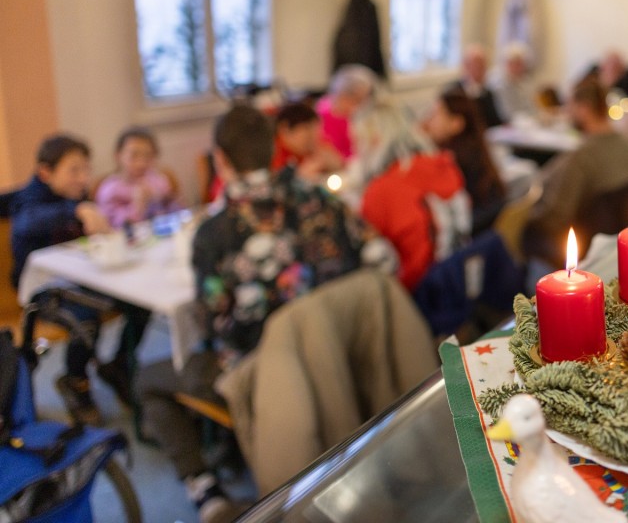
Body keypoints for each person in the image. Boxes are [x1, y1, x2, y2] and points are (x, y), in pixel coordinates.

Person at [137, 106, 366, 523]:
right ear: (275, 147)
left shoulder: (215, 233)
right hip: (334, 350)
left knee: (150, 378)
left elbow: (216, 325)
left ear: (220, 159)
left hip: (264, 369)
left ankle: (204, 488)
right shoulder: (323, 200)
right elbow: (362, 262)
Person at [10, 135, 151, 425]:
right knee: (85, 319)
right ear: (45, 172)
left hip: (81, 281)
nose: (83, 178)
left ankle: (119, 364)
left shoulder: (77, 196)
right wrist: (75, 210)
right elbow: (28, 221)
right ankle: (76, 381)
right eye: (74, 170)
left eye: (86, 170)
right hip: (43, 291)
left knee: (140, 300)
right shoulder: (30, 199)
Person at [523, 76, 628, 267]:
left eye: (570, 106)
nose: (567, 113)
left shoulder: (581, 159)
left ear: (584, 109)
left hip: (582, 244)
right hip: (615, 241)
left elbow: (557, 217)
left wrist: (527, 215)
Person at [358, 102, 471, 290]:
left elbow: (377, 258)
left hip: (420, 290)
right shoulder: (442, 164)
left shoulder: (380, 190)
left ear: (375, 141)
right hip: (459, 272)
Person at [422, 87, 507, 234]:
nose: (428, 120)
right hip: (487, 228)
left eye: (435, 114)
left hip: (471, 232)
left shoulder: (451, 161)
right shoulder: (475, 149)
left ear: (456, 124)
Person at [95, 126, 180, 228]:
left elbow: (177, 213)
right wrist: (138, 206)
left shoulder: (158, 180)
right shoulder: (109, 190)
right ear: (118, 156)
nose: (141, 163)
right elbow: (112, 227)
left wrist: (165, 199)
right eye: (133, 155)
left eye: (148, 156)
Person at [271, 102, 344, 182]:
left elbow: (340, 166)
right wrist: (300, 176)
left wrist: (334, 164)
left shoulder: (317, 144)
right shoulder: (273, 153)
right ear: (285, 130)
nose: (314, 138)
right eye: (307, 130)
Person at [316, 64, 377, 160]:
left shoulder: (358, 117)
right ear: (343, 96)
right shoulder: (321, 118)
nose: (362, 106)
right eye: (359, 100)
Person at [450, 44, 505, 129]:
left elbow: (495, 121)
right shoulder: (453, 91)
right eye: (477, 65)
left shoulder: (487, 92)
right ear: (466, 66)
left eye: (483, 65)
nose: (482, 69)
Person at [491, 42, 535, 121]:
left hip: (526, 122)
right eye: (516, 63)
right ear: (507, 64)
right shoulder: (500, 84)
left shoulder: (524, 81)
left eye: (522, 63)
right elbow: (507, 114)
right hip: (508, 124)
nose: (520, 67)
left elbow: (531, 106)